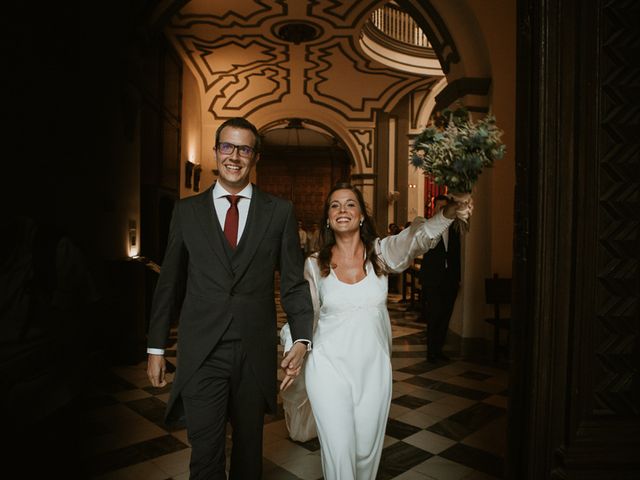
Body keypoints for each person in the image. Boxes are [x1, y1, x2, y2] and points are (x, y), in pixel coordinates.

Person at [146, 117, 314, 479]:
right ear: (215, 152)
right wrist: (156, 348)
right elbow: (169, 284)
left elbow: (293, 283)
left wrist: (301, 337)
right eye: (227, 146)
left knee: (249, 454)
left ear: (255, 157)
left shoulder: (279, 212)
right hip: (201, 350)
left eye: (244, 149)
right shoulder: (186, 211)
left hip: (254, 350)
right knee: (205, 453)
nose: (234, 156)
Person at [279, 182, 472, 479]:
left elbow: (413, 240)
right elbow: (304, 312)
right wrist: (296, 345)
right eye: (334, 205)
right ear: (328, 219)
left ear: (361, 217)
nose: (342, 209)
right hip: (328, 368)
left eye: (350, 204)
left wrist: (447, 212)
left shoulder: (381, 255)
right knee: (339, 453)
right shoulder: (315, 265)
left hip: (373, 370)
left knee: (365, 455)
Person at [419, 194, 461, 363]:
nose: (442, 211)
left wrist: (457, 278)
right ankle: (431, 352)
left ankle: (439, 350)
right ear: (434, 209)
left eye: (445, 208)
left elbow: (457, 255)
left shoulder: (455, 229)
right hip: (432, 279)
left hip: (449, 280)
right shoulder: (426, 227)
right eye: (439, 208)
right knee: (434, 315)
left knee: (445, 316)